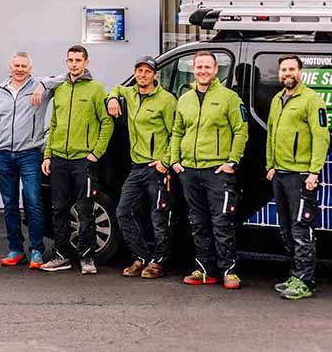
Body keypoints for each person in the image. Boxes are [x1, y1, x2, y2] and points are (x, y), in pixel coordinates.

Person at [170, 51, 248, 289]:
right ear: (193, 70)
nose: (203, 71)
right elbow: (177, 132)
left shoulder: (229, 98)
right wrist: (175, 161)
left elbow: (241, 131)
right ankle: (205, 269)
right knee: (197, 221)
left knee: (221, 221)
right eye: (199, 67)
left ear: (216, 71)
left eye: (207, 67)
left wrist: (232, 161)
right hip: (190, 170)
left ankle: (229, 271)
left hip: (217, 170)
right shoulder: (185, 99)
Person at [40, 45, 114, 275]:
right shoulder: (60, 89)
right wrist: (48, 154)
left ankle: (87, 257)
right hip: (60, 158)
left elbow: (107, 122)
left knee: (85, 209)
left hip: (84, 160)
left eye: (78, 60)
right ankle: (61, 255)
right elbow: (54, 124)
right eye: (70, 60)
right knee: (59, 209)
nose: (74, 64)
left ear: (86, 62)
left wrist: (95, 153)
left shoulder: (96, 89)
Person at [0, 52, 60, 269]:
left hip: (29, 154)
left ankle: (37, 250)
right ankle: (16, 249)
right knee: (9, 205)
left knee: (33, 202)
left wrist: (43, 85)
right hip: (3, 154)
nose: (20, 69)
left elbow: (69, 76)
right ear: (10, 67)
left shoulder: (39, 88)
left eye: (24, 66)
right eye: (16, 65)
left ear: (30, 68)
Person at [266, 54, 330, 300]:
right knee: (286, 229)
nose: (287, 73)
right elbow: (272, 133)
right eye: (283, 69)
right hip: (280, 173)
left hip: (302, 175)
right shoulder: (277, 99)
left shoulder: (312, 100)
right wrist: (270, 164)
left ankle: (306, 281)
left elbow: (321, 137)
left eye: (291, 69)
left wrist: (314, 171)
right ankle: (294, 275)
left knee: (302, 229)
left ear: (300, 72)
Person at [107, 55, 177, 279]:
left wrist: (165, 162)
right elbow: (118, 88)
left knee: (159, 218)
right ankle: (141, 257)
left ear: (155, 75)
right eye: (139, 70)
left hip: (157, 168)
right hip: (136, 167)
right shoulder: (132, 94)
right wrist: (112, 99)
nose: (142, 75)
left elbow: (176, 133)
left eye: (147, 71)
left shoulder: (166, 100)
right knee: (123, 212)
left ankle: (158, 263)